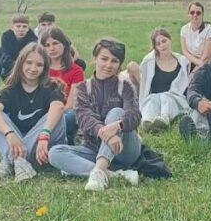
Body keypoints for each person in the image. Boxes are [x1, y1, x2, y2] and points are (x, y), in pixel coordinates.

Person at [48, 38, 142, 191]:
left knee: (116, 112)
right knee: (55, 153)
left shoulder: (125, 86)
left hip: (124, 149)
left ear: (119, 64)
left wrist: (118, 125)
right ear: (94, 59)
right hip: (93, 148)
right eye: (104, 59)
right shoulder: (83, 88)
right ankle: (114, 175)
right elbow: (84, 118)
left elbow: (134, 113)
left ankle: (98, 171)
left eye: (114, 61)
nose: (108, 65)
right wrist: (106, 134)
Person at [0, 43, 67, 182]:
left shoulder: (50, 86)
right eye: (29, 62)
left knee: (57, 116)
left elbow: (58, 106)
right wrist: (9, 134)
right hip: (17, 139)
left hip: (42, 144)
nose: (33, 68)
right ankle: (19, 162)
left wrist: (44, 135)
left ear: (45, 68)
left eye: (39, 65)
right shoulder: (11, 89)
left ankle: (10, 160)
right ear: (21, 63)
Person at [138, 28, 191, 132]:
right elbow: (144, 87)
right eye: (158, 44)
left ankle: (165, 119)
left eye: (164, 41)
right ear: (155, 47)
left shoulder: (183, 62)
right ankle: (147, 120)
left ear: (170, 40)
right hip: (155, 99)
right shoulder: (148, 62)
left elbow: (183, 86)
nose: (162, 45)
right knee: (152, 99)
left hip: (174, 99)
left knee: (166, 97)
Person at [40, 27, 85, 144]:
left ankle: (63, 142)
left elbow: (71, 103)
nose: (51, 48)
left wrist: (55, 115)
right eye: (47, 45)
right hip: (42, 111)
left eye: (55, 43)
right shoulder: (41, 68)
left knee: (68, 117)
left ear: (64, 45)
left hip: (65, 112)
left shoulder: (76, 71)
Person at [180, 1, 211, 72]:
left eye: (198, 13)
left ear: (202, 15)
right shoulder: (184, 29)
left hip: (207, 64)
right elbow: (184, 52)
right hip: (190, 62)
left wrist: (194, 72)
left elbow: (206, 58)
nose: (195, 15)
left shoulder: (210, 30)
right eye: (192, 12)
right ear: (188, 14)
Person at [0, 14, 38, 80]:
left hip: (28, 68)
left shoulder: (33, 39)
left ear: (28, 28)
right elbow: (5, 56)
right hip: (11, 66)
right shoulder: (6, 36)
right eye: (18, 26)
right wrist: (15, 66)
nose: (21, 29)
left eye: (24, 27)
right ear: (12, 27)